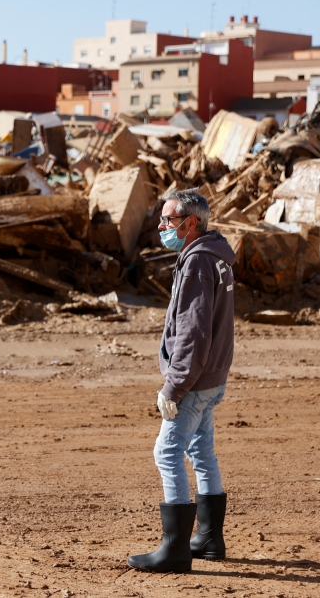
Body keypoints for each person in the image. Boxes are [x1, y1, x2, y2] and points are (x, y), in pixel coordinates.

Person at [127, 189, 236, 574]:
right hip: (212, 377)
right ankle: (208, 538)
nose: (161, 227)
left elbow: (192, 334)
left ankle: (174, 549)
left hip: (193, 379)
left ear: (191, 223)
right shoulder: (216, 256)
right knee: (201, 449)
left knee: (167, 452)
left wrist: (173, 387)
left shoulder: (196, 263)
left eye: (168, 220)